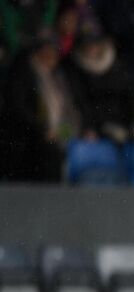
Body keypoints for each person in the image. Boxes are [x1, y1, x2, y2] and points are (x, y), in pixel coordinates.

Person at [1, 34, 79, 182]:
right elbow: (19, 108)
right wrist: (43, 130)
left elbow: (71, 109)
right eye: (46, 52)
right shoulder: (24, 75)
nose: (50, 57)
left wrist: (63, 131)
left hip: (57, 134)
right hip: (30, 137)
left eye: (53, 53)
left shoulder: (59, 78)